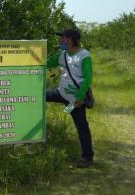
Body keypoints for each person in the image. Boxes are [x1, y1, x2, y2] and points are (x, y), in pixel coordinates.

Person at [46, 28, 94, 168]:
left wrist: (79, 97)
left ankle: (87, 157)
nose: (60, 40)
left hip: (75, 100)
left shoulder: (84, 55)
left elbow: (88, 78)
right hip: (60, 93)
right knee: (38, 96)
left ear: (71, 39)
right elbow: (48, 62)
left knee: (81, 127)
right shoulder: (63, 54)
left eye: (63, 38)